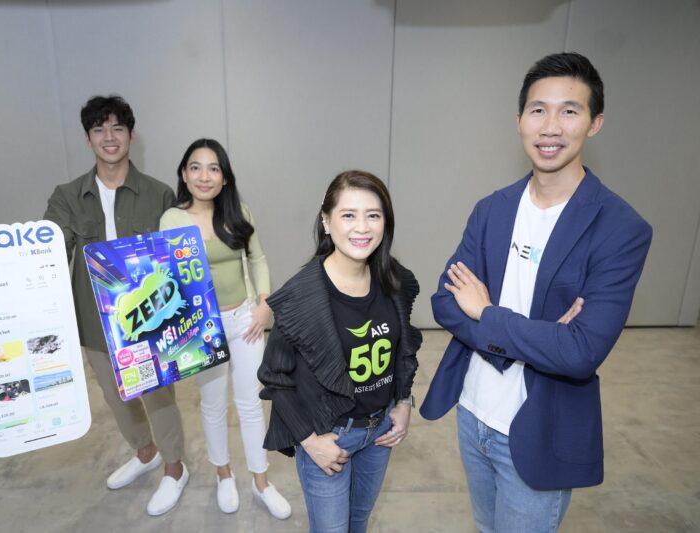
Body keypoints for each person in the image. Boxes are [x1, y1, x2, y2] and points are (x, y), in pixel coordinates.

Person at [420, 52, 652, 532]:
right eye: (538, 110)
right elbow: (445, 301)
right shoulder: (492, 209)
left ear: (595, 123)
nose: (550, 127)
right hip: (472, 411)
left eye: (569, 111)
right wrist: (543, 336)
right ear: (519, 120)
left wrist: (486, 313)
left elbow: (580, 352)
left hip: (539, 427)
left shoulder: (621, 229)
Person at [44, 95, 189, 517]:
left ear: (131, 135)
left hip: (148, 318)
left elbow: (176, 257)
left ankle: (175, 467)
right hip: (94, 319)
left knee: (158, 394)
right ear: (88, 138)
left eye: (117, 128)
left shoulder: (159, 194)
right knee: (116, 395)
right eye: (99, 129)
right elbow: (48, 250)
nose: (109, 137)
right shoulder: (68, 196)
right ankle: (145, 453)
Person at [258, 171, 422, 533]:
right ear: (326, 220)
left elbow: (403, 349)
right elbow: (274, 376)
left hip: (380, 432)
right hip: (330, 437)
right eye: (349, 215)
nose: (362, 227)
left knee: (358, 521)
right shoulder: (300, 297)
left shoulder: (394, 281)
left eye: (373, 215)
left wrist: (403, 401)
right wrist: (309, 441)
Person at [158, 138, 291, 519]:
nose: (204, 176)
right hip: (203, 328)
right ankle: (224, 475)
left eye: (213, 168)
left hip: (245, 320)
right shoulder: (172, 219)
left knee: (251, 403)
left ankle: (261, 482)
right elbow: (166, 278)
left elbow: (258, 258)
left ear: (225, 177)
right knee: (214, 405)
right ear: (184, 175)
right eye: (195, 167)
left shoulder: (238, 212)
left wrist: (264, 304)